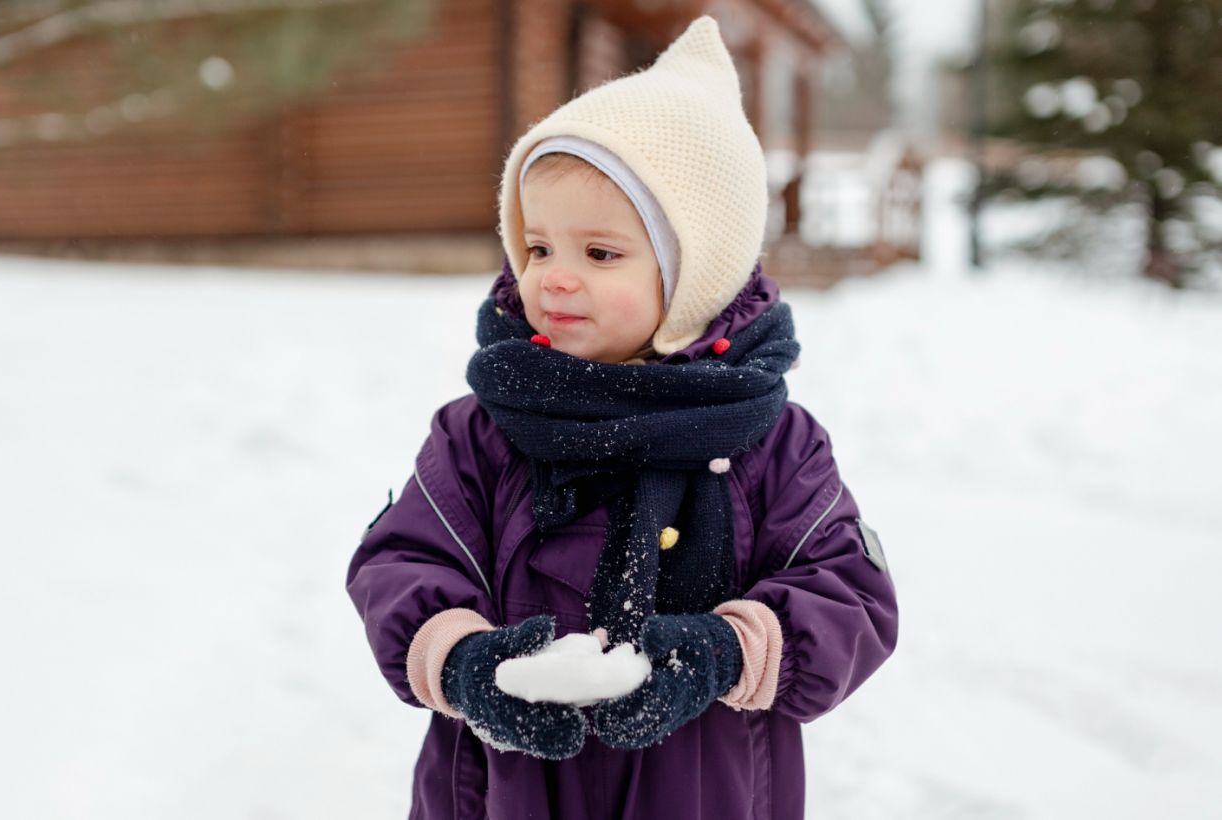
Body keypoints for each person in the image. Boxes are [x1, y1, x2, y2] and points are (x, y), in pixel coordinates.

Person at [346, 16, 897, 820]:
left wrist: (719, 654)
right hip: (506, 795)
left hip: (704, 793)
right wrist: (467, 662)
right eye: (538, 248)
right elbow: (399, 565)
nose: (555, 279)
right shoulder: (483, 429)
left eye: (599, 254)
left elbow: (850, 594)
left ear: (695, 275)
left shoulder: (771, 442)